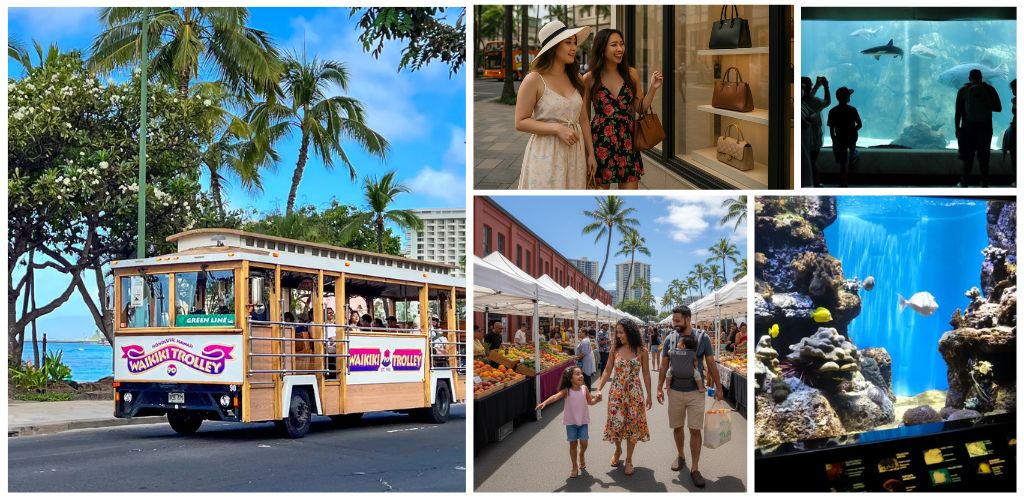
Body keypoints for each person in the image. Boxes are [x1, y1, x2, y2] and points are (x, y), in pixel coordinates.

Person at [515, 21, 595, 189]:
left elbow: (585, 121)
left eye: (574, 42)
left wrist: (591, 154)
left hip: (575, 153)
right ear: (553, 47)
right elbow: (520, 121)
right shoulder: (534, 79)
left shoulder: (577, 78)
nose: (574, 47)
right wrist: (557, 128)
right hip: (546, 153)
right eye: (568, 42)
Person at [583, 28, 663, 189]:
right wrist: (589, 154)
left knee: (630, 199)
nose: (620, 49)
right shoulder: (589, 78)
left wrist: (653, 88)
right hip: (600, 143)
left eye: (621, 44)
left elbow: (640, 108)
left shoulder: (631, 74)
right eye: (614, 45)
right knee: (599, 199)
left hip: (627, 142)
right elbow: (583, 119)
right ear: (602, 48)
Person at [657, 305, 724, 488]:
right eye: (673, 320)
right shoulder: (670, 338)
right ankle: (681, 456)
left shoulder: (703, 338)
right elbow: (664, 365)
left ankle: (695, 468)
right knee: (677, 427)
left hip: (696, 393)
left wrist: (719, 387)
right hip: (675, 392)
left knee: (695, 430)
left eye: (677, 320)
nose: (674, 324)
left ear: (688, 319)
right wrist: (659, 388)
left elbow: (710, 363)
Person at [596, 319, 652, 476]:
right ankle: (618, 449)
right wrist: (599, 389)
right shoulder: (615, 349)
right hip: (617, 392)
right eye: (617, 332)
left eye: (621, 332)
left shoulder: (642, 351)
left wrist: (649, 395)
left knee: (633, 426)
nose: (618, 335)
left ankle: (629, 459)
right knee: (617, 424)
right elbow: (607, 370)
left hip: (635, 393)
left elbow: (646, 374)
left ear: (630, 331)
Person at [536, 366, 602, 479]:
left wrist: (597, 399)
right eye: (577, 374)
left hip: (583, 421)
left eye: (581, 373)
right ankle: (574, 466)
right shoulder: (567, 391)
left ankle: (581, 455)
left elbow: (590, 402)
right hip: (571, 422)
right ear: (570, 379)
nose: (581, 375)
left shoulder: (584, 389)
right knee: (573, 444)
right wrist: (545, 403)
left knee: (584, 443)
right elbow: (555, 396)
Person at [955, 68, 1002, 187]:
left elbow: (958, 112)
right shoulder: (989, 89)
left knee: (968, 157)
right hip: (985, 128)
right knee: (984, 156)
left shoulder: (963, 90)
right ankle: (984, 181)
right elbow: (998, 108)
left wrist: (957, 128)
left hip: (967, 129)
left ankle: (964, 181)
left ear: (969, 78)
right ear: (982, 77)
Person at [827, 86, 862, 187]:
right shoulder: (852, 110)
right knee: (850, 154)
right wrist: (852, 131)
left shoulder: (832, 111)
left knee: (842, 162)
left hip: (839, 138)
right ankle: (853, 155)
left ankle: (844, 182)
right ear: (848, 98)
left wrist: (834, 140)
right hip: (851, 137)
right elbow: (859, 125)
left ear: (837, 98)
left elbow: (831, 128)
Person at [801, 76, 831, 187]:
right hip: (814, 136)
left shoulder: (801, 101)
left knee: (808, 160)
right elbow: (827, 101)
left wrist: (817, 86)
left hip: (805, 137)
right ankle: (815, 184)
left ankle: (812, 183)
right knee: (812, 161)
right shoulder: (814, 102)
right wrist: (825, 86)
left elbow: (808, 95)